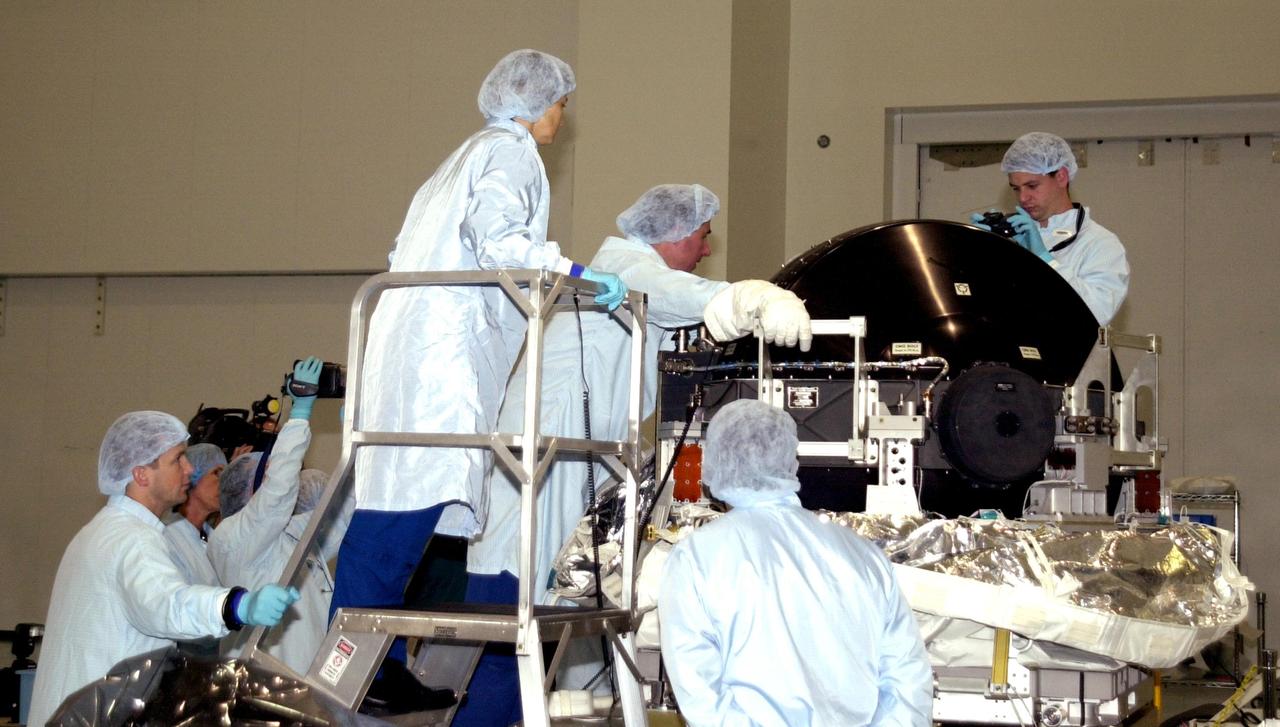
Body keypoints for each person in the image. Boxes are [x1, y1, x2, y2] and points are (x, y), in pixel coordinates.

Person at [329, 48, 627, 694]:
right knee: (401, 514)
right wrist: (572, 273)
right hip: (442, 360)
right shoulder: (511, 153)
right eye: (558, 103)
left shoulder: (455, 162)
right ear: (532, 102)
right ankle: (357, 667)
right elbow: (498, 236)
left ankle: (362, 662)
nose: (560, 114)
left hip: (408, 348)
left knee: (396, 504)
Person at [457, 184, 812, 724]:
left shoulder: (639, 282)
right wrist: (750, 297)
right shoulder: (626, 270)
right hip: (542, 458)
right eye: (702, 236)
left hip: (578, 458)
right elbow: (681, 294)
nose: (706, 249)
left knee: (552, 618)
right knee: (512, 623)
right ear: (671, 236)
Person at [659, 399, 933, 726]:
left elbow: (701, 695)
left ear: (715, 461)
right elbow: (908, 679)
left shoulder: (696, 558)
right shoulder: (864, 556)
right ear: (791, 460)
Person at [28, 411, 299, 726]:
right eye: (178, 459)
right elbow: (168, 605)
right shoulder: (131, 539)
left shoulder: (105, 530)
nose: (189, 469)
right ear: (142, 474)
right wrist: (237, 605)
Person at [207, 357, 355, 676]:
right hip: (263, 690)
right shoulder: (233, 540)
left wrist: (356, 446)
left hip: (309, 689)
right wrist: (299, 415)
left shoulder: (289, 535)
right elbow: (277, 496)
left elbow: (345, 513)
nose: (281, 479)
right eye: (270, 474)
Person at [970, 131, 1129, 324]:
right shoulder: (1012, 236)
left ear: (1061, 176)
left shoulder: (1100, 244)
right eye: (1016, 188)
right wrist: (978, 254)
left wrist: (1045, 260)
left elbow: (1096, 312)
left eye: (1032, 186)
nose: (1022, 198)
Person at [163, 442, 227, 587]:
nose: (224, 483)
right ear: (192, 476)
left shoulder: (211, 535)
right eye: (217, 473)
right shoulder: (168, 536)